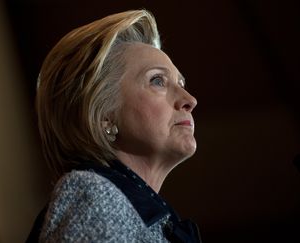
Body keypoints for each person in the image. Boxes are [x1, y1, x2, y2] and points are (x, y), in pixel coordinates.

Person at [27, 10, 201, 242]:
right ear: (105, 117)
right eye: (157, 80)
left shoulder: (147, 219)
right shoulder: (92, 194)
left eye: (181, 83)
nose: (190, 99)